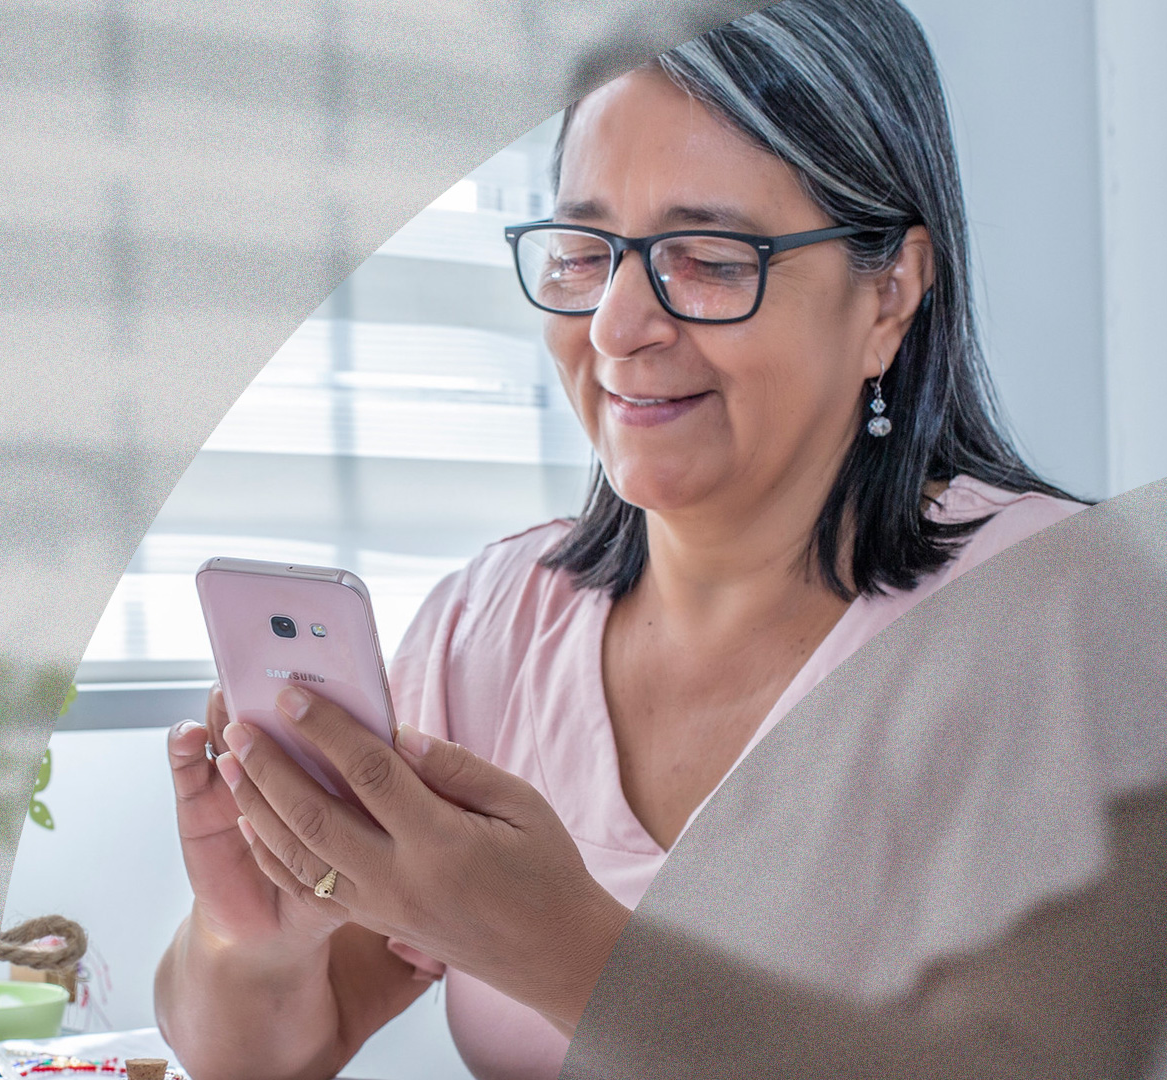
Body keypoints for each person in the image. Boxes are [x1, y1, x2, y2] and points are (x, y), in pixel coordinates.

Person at [154, 1, 1091, 1077]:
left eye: (706, 256)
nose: (616, 327)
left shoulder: (1062, 618)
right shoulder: (491, 624)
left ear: (889, 292)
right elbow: (268, 1053)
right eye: (585, 251)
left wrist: (565, 952)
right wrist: (257, 938)